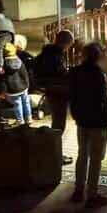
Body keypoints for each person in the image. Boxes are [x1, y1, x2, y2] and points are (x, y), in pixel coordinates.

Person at [69, 42, 107, 208]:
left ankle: (78, 189)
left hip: (82, 119)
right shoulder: (98, 74)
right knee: (96, 158)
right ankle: (92, 193)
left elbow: (72, 95)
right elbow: (102, 99)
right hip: (98, 120)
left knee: (82, 155)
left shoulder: (75, 72)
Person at [38, 29, 74, 163]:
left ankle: (53, 152)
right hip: (58, 93)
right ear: (67, 44)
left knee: (57, 122)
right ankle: (55, 154)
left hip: (50, 91)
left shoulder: (46, 53)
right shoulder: (56, 56)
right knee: (59, 125)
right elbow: (60, 75)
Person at [0, 42, 32, 125]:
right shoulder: (20, 61)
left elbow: (3, 80)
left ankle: (20, 120)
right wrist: (27, 84)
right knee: (26, 102)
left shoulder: (4, 66)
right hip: (23, 87)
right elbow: (25, 74)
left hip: (13, 89)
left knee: (17, 104)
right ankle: (29, 118)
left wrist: (2, 91)